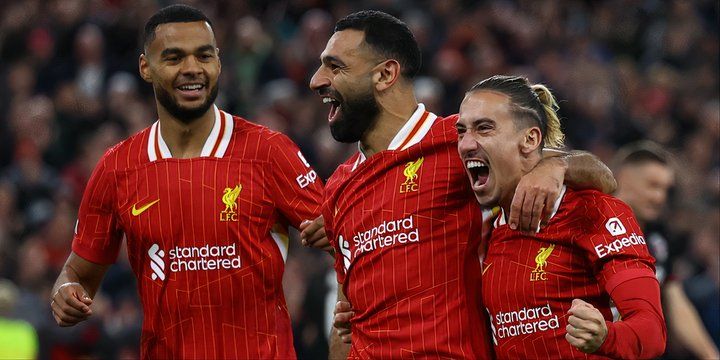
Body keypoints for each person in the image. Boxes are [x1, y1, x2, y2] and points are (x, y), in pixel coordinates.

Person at [303, 11, 616, 359]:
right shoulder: (339, 187)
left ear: (385, 74)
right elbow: (345, 324)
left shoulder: (460, 141)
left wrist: (553, 167)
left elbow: (602, 176)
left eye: (335, 67)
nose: (317, 80)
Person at [49, 5, 324, 359]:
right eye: (175, 57)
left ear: (219, 63)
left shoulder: (268, 151)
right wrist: (66, 289)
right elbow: (78, 272)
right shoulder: (118, 168)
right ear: (145, 67)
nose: (192, 69)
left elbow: (344, 237)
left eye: (203, 56)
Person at [457, 75, 666, 359]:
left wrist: (606, 335)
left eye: (484, 128)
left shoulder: (592, 211)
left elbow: (651, 333)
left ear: (530, 139)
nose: (467, 143)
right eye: (462, 131)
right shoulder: (487, 228)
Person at [613, 141, 719, 359]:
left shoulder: (658, 238)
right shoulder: (592, 226)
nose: (660, 197)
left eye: (665, 189)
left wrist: (710, 355)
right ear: (624, 178)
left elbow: (675, 300)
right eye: (652, 186)